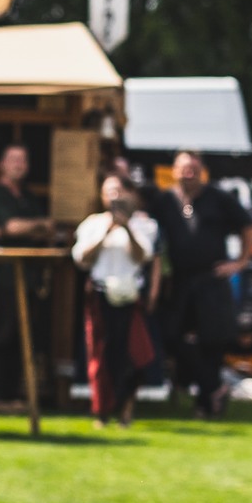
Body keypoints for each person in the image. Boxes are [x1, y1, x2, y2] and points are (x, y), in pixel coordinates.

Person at [149, 150, 252, 418]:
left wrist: (240, 262)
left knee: (212, 341)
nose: (189, 174)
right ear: (174, 171)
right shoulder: (165, 200)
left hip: (211, 279)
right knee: (172, 335)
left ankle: (206, 401)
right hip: (179, 281)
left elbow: (247, 225)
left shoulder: (218, 198)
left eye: (194, 169)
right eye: (184, 168)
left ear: (202, 172)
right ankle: (214, 388)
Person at [73, 174, 156, 428]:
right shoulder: (93, 224)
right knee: (101, 356)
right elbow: (81, 259)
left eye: (118, 191)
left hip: (130, 296)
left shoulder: (144, 224)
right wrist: (106, 231)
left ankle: (127, 410)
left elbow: (143, 256)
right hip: (101, 296)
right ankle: (101, 412)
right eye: (109, 192)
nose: (114, 196)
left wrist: (126, 227)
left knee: (134, 354)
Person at [0, 145, 52, 247]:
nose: (18, 165)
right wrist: (37, 226)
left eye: (22, 160)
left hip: (30, 255)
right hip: (0, 255)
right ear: (2, 164)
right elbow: (12, 228)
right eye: (13, 160)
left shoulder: (29, 195)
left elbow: (48, 229)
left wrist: (12, 230)